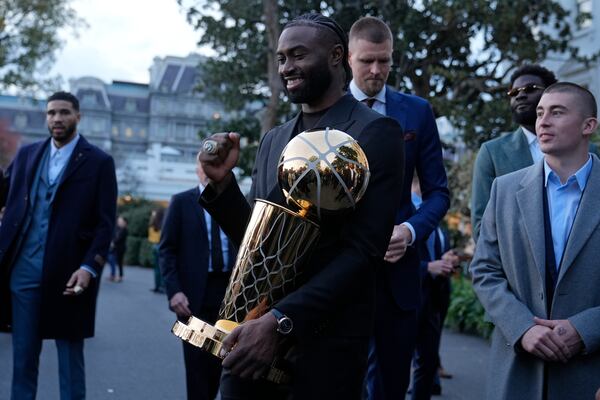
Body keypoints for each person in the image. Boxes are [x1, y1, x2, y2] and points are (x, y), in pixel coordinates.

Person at [198, 13, 404, 400]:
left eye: (298, 55)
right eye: (281, 58)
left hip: (323, 349)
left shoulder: (377, 133)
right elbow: (259, 245)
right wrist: (222, 184)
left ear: (336, 56)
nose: (286, 67)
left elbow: (364, 252)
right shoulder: (273, 139)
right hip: (250, 336)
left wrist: (281, 321)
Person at [471, 82, 600, 399]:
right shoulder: (504, 190)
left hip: (590, 372)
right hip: (518, 370)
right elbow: (485, 270)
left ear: (589, 126)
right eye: (541, 112)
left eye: (557, 112)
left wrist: (587, 328)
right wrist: (522, 327)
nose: (543, 121)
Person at [347, 16, 450, 399]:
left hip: (399, 275)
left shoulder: (418, 111)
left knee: (392, 386)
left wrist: (409, 232)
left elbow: (439, 193)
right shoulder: (330, 110)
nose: (377, 71)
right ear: (348, 59)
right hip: (340, 273)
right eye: (367, 61)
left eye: (385, 61)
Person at [0, 91, 117, 399]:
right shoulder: (27, 154)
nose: (57, 119)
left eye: (64, 112)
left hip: (69, 273)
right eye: (51, 113)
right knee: (23, 358)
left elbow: (106, 224)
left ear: (78, 116)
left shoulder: (99, 162)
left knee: (69, 360)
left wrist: (89, 266)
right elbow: (4, 194)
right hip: (23, 272)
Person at [159, 160, 236, 400]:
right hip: (192, 298)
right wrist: (174, 291)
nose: (209, 170)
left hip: (229, 296)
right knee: (196, 368)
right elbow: (167, 250)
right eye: (205, 164)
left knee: (224, 364)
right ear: (197, 169)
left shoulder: (236, 204)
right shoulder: (182, 202)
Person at [470, 64, 558, 242]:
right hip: (519, 265)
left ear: (552, 94)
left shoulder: (588, 151)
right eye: (514, 92)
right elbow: (482, 227)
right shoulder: (492, 152)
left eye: (530, 89)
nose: (520, 95)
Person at [410, 177, 458, 400]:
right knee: (391, 367)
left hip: (433, 302)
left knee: (427, 364)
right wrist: (428, 267)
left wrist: (446, 258)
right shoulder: (404, 211)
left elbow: (436, 252)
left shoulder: (436, 217)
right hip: (407, 300)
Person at [107, 216, 128, 282]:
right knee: (113, 261)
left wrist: (113, 242)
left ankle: (120, 276)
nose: (119, 222)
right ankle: (113, 275)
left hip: (120, 249)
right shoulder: (117, 228)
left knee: (120, 263)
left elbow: (118, 238)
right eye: (119, 221)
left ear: (124, 222)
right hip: (116, 248)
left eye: (121, 221)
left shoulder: (124, 230)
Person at [148, 208, 164, 293]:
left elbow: (151, 238)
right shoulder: (164, 223)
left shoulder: (153, 225)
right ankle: (162, 286)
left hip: (155, 246)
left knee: (156, 268)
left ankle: (157, 286)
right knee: (162, 268)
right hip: (162, 247)